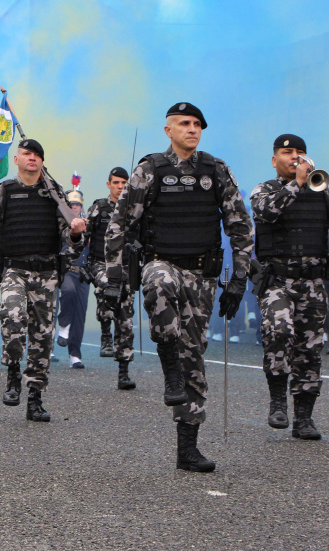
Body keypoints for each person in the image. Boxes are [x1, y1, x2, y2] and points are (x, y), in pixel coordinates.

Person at [104, 103, 253, 472]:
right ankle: (168, 365)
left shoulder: (215, 170)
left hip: (202, 278)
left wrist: (239, 279)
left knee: (196, 360)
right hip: (162, 263)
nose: (192, 129)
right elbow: (120, 224)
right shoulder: (150, 169)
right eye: (184, 123)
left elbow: (239, 224)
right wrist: (114, 278)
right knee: (157, 284)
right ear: (168, 130)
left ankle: (187, 448)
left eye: (197, 124)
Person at [0, 139, 86, 422]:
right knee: (13, 318)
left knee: (42, 338)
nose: (32, 158)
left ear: (42, 161)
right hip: (14, 271)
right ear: (16, 159)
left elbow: (71, 241)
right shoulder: (4, 191)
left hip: (47, 274)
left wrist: (76, 233)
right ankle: (14, 372)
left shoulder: (54, 194)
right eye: (27, 153)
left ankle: (35, 398)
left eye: (37, 154)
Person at [250, 134, 329, 440]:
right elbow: (267, 213)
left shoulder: (323, 191)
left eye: (300, 152)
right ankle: (278, 400)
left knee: (310, 349)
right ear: (274, 159)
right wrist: (297, 184)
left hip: (313, 282)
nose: (295, 157)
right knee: (279, 331)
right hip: (277, 280)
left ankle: (303, 418)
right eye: (288, 152)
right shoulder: (264, 190)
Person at [86, 167, 136, 389]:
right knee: (106, 287)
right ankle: (106, 334)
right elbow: (83, 235)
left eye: (124, 182)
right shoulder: (100, 207)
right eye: (116, 182)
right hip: (101, 264)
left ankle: (123, 371)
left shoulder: (134, 211)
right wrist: (74, 264)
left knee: (126, 318)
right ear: (109, 184)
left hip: (126, 268)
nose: (120, 186)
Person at [56, 189, 91, 369]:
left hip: (83, 271)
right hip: (65, 270)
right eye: (71, 205)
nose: (75, 207)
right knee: (67, 292)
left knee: (80, 313)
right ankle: (63, 325)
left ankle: (75, 354)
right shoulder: (61, 224)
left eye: (77, 204)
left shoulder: (89, 223)